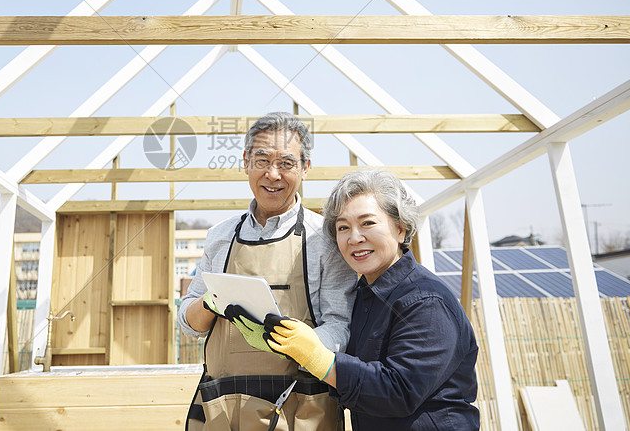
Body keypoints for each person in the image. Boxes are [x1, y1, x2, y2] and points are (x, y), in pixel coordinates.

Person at [179, 112, 356, 431]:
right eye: (261, 160)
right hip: (223, 409)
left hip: (300, 410)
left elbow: (342, 325)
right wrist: (208, 303)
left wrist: (303, 343)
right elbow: (189, 325)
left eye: (286, 163)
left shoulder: (325, 239)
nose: (272, 174)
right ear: (246, 162)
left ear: (305, 168)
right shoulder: (220, 236)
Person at [265, 168, 480, 430]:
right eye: (343, 227)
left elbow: (398, 392)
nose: (354, 238)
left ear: (400, 228)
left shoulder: (426, 301)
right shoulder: (365, 296)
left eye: (367, 223)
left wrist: (319, 359)